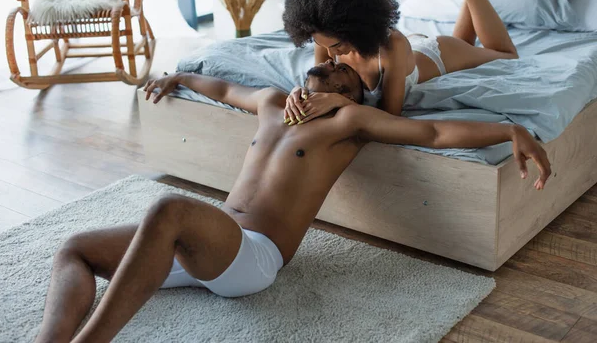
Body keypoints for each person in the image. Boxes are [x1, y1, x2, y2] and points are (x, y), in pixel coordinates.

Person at [34, 62, 550, 343]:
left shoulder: (347, 123)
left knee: (167, 208)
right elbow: (221, 85)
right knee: (73, 249)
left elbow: (433, 130)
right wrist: (179, 77)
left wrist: (509, 129)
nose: (334, 64)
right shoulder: (271, 102)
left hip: (253, 255)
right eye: (329, 58)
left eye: (346, 72)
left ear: (352, 95)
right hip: (203, 245)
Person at [282, 0, 515, 122]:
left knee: (507, 56)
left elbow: (390, 117)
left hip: (438, 54)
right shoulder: (325, 37)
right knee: (466, 42)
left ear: (353, 26)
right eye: (324, 45)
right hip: (411, 54)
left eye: (336, 46)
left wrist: (338, 101)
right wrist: (299, 92)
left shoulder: (391, 43)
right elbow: (317, 84)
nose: (331, 54)